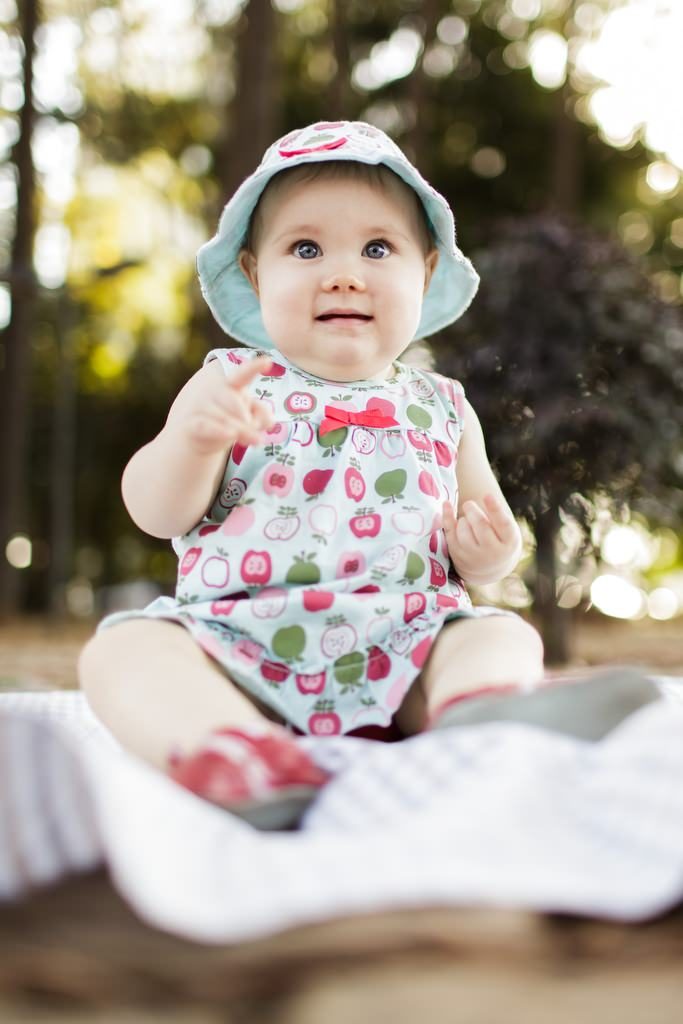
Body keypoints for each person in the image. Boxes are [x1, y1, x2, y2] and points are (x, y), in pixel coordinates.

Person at [78, 120, 658, 830]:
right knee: (124, 649)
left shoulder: (442, 406)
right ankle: (233, 752)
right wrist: (193, 444)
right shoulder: (230, 385)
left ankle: (475, 717)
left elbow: (487, 533)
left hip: (401, 648)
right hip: (237, 648)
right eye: (305, 247)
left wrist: (489, 551)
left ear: (425, 271)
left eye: (377, 247)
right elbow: (154, 511)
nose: (343, 272)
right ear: (257, 275)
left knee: (497, 634)